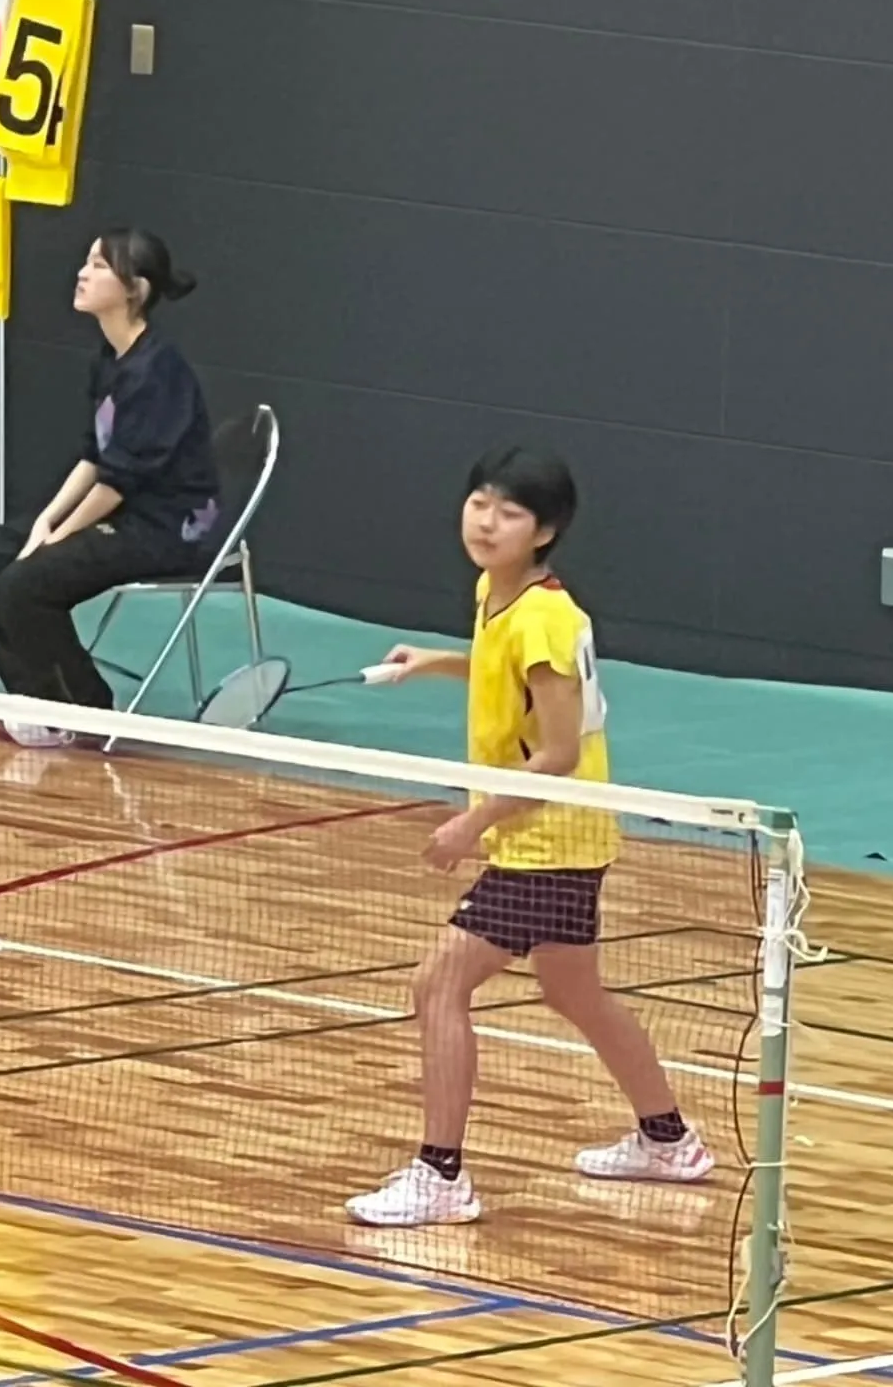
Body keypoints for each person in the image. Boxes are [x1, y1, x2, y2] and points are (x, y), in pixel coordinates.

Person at [345, 446, 713, 1229]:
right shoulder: (499, 593)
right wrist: (437, 663)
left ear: (544, 533)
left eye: (510, 512)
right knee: (574, 990)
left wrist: (472, 822)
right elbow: (500, 668)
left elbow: (558, 752)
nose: (486, 521)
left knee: (437, 987)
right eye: (480, 501)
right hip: (557, 835)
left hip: (546, 836)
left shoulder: (547, 618)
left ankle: (441, 1176)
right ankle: (669, 1140)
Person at [0, 229, 221, 747]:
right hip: (118, 513)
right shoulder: (111, 358)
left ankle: (89, 712)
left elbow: (120, 481)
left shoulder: (157, 372)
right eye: (87, 261)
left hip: (164, 528)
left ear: (134, 289)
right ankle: (37, 701)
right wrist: (46, 521)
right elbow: (95, 456)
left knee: (24, 583)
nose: (82, 273)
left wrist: (56, 539)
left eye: (99, 265)